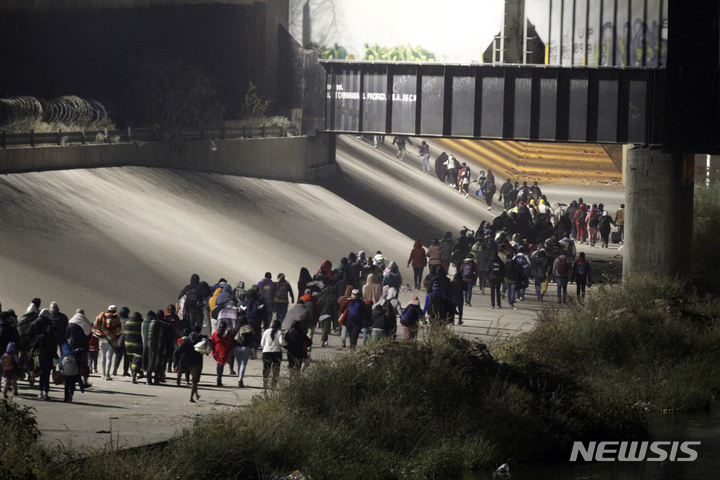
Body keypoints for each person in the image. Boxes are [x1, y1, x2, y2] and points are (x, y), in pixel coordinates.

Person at [29, 309, 57, 400]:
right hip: (49, 357)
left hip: (40, 356)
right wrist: (55, 357)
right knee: (47, 375)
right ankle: (46, 393)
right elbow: (54, 348)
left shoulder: (40, 336)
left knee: (41, 375)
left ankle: (40, 392)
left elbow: (33, 345)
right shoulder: (52, 337)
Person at [175, 325, 206, 402]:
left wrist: (176, 360)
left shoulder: (187, 339)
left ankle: (196, 395)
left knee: (194, 381)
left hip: (187, 361)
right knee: (195, 381)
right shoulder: (202, 339)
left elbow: (180, 350)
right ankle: (191, 398)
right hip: (197, 362)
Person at [92, 305, 121, 381]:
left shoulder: (101, 316)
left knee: (103, 357)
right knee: (109, 358)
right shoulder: (116, 318)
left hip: (101, 340)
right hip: (111, 341)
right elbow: (118, 330)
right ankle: (107, 375)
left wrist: (101, 334)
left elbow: (96, 326)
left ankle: (103, 374)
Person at [260, 319, 284, 389]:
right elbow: (281, 342)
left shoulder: (266, 331)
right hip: (277, 353)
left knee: (266, 369)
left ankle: (265, 383)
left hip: (266, 352)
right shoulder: (279, 332)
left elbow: (262, 343)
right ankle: (274, 384)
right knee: (276, 370)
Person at [232, 319, 255, 387]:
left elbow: (232, 338)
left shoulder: (235, 329)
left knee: (239, 364)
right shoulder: (248, 329)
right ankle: (240, 379)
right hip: (246, 348)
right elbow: (253, 338)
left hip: (236, 348)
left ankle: (240, 378)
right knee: (243, 364)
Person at [123, 312, 144, 384]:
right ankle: (134, 377)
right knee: (137, 360)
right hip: (138, 345)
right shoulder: (141, 323)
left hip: (128, 344)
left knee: (131, 360)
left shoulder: (128, 322)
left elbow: (124, 333)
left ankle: (133, 375)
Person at [210, 320, 234, 387]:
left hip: (217, 351)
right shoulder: (228, 334)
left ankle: (219, 379)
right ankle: (219, 379)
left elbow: (212, 342)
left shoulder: (215, 333)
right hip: (224, 351)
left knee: (218, 364)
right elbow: (230, 342)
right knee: (221, 366)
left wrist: (212, 349)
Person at [112, 307, 131, 377]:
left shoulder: (118, 320)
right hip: (127, 340)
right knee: (127, 357)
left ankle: (115, 370)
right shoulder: (130, 320)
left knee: (118, 356)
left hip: (119, 341)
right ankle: (125, 371)